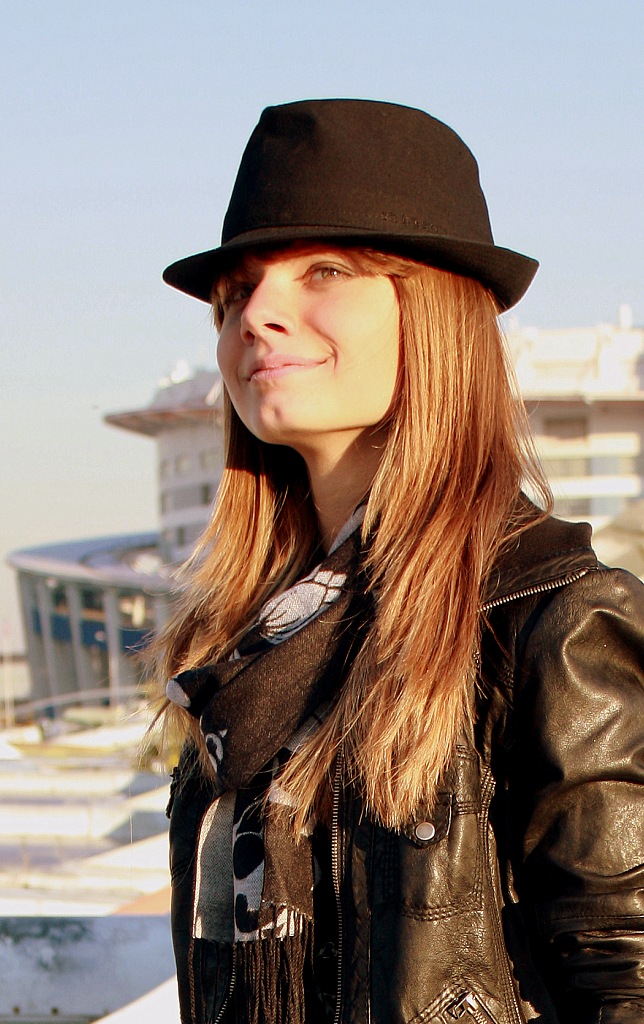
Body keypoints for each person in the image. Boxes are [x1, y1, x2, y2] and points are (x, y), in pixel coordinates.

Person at [157, 100, 644, 1024]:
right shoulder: (240, 649)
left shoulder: (553, 619)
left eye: (326, 271)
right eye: (237, 291)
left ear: (435, 310)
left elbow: (628, 979)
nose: (257, 314)